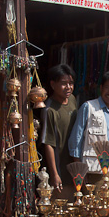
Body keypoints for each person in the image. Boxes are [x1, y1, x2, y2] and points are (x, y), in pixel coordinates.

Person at [40, 64, 77, 197]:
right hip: (61, 170)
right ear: (53, 84)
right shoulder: (50, 110)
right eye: (63, 83)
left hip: (74, 168)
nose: (68, 87)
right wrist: (54, 174)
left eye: (71, 83)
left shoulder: (72, 100)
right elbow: (48, 143)